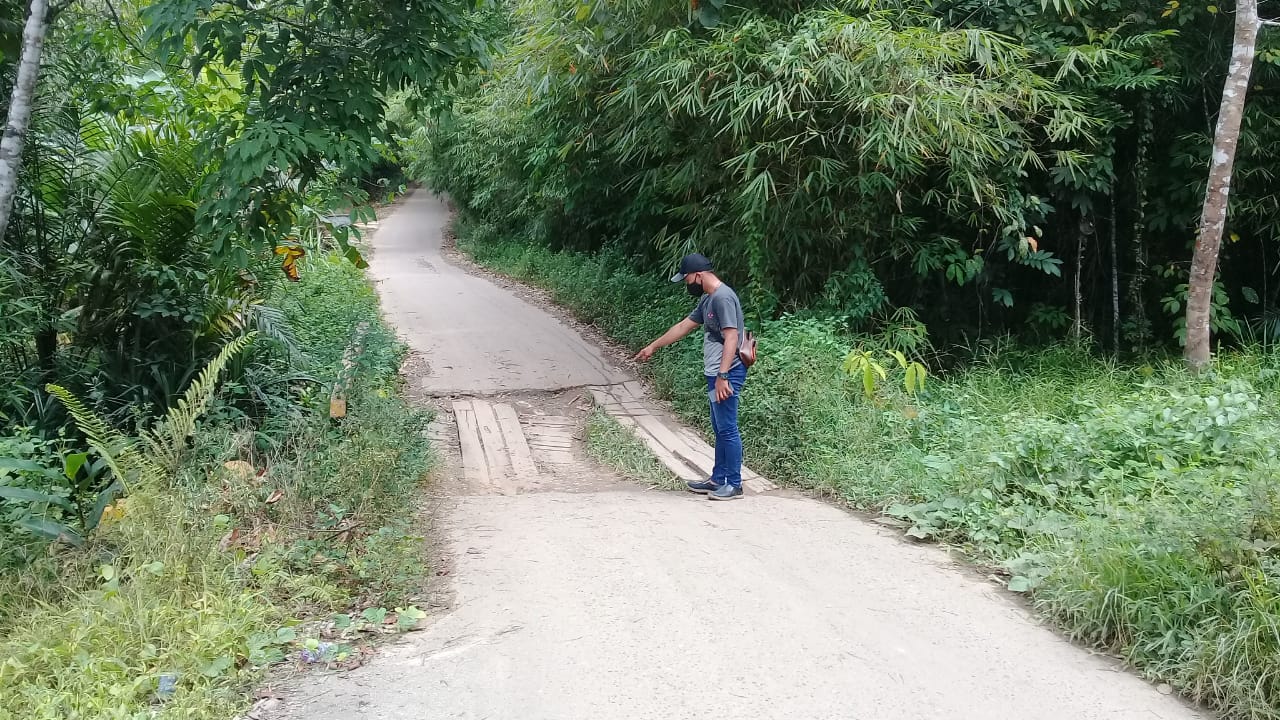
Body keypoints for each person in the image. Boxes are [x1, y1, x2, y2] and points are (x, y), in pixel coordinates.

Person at [633, 253, 747, 501]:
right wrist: (653, 346)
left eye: (687, 280)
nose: (687, 284)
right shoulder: (708, 300)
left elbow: (731, 337)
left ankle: (734, 484)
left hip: (727, 372)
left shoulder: (723, 298)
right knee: (719, 428)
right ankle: (718, 479)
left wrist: (723, 375)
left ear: (698, 275)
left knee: (727, 428)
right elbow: (684, 326)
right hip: (715, 373)